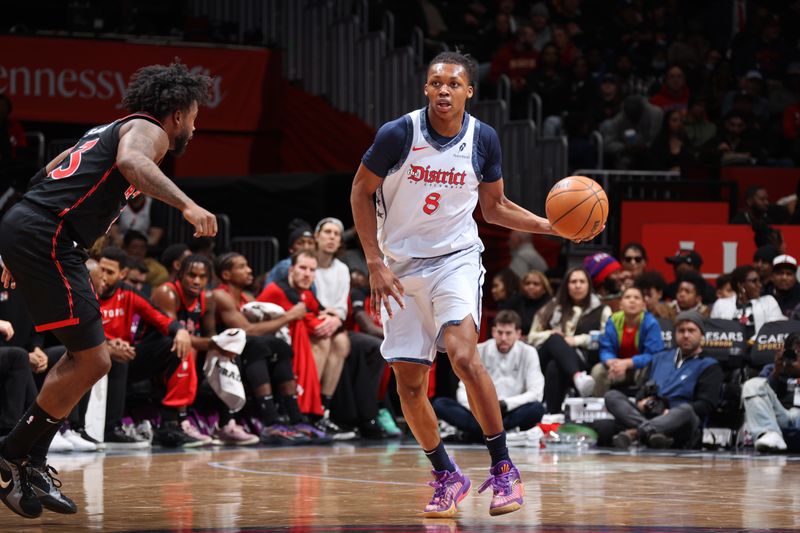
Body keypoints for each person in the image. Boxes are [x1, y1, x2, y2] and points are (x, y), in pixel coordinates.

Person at [350, 51, 575, 518]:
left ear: (469, 91)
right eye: (435, 83)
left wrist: (552, 227)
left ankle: (503, 469)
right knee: (409, 387)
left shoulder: (483, 138)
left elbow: (494, 208)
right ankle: (446, 475)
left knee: (464, 355)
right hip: (398, 269)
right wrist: (374, 262)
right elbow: (360, 190)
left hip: (454, 259)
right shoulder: (399, 134)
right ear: (426, 89)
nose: (443, 91)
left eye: (453, 83)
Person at [0, 61, 216, 519]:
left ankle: (29, 461)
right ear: (176, 113)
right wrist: (188, 204)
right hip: (48, 235)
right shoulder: (147, 131)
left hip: (37, 229)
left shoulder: (107, 128)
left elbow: (48, 173)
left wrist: (12, 246)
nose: (195, 129)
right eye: (195, 117)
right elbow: (131, 163)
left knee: (90, 359)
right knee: (94, 358)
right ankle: (13, 453)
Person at [606, 310, 723, 450]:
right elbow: (641, 392)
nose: (686, 335)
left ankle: (637, 433)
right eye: (681, 331)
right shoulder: (658, 359)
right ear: (675, 334)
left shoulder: (709, 365)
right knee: (612, 396)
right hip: (650, 414)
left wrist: (671, 412)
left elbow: (706, 405)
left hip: (680, 421)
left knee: (686, 410)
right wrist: (642, 403)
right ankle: (651, 434)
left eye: (691, 331)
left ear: (701, 334)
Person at [433, 311, 544, 442]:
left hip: (510, 409)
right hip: (479, 411)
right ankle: (496, 433)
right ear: (493, 331)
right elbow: (463, 390)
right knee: (440, 404)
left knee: (536, 409)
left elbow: (536, 393)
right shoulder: (479, 349)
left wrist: (506, 404)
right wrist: (480, 407)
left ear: (518, 334)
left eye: (508, 333)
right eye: (500, 332)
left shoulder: (529, 352)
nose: (503, 338)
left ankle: (482, 434)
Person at [528, 268, 612, 410]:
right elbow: (532, 337)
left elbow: (606, 337)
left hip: (583, 359)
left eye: (582, 282)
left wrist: (576, 340)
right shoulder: (552, 306)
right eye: (573, 282)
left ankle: (552, 414)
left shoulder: (602, 309)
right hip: (544, 358)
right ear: (566, 285)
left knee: (554, 366)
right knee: (555, 339)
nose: (577, 285)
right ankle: (577, 377)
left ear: (588, 285)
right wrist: (552, 335)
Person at [592, 286, 664, 396]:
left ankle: (642, 404)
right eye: (627, 297)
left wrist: (627, 363)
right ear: (620, 304)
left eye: (636, 298)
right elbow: (606, 348)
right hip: (617, 368)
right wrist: (611, 362)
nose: (632, 300)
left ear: (643, 305)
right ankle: (599, 406)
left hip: (639, 368)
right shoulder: (613, 321)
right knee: (598, 371)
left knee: (650, 369)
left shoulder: (651, 323)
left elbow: (654, 355)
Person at [741, 332, 800, 452]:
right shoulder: (772, 368)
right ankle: (769, 433)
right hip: (778, 416)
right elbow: (760, 395)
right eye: (795, 353)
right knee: (752, 384)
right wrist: (777, 371)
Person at [711, 265, 786, 339]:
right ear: (740, 285)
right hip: (728, 349)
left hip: (760, 348)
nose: (759, 285)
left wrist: (751, 342)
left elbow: (776, 331)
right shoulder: (721, 304)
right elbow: (713, 333)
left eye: (759, 281)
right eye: (754, 281)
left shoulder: (769, 302)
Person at [265, 218, 315, 287]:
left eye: (310, 243)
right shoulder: (285, 267)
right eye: (300, 243)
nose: (306, 247)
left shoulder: (313, 264)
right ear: (291, 249)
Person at [506, 270, 552, 334]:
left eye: (536, 284)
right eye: (527, 283)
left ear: (544, 288)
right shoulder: (515, 301)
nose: (531, 287)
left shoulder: (551, 304)